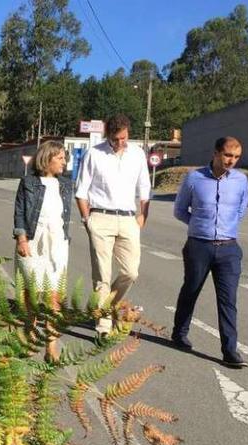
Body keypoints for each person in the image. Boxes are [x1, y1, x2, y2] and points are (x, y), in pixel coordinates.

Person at [171, 136, 248, 368]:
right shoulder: (194, 178)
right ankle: (180, 333)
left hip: (228, 248)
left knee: (228, 300)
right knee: (191, 290)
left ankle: (229, 350)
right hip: (199, 246)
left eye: (236, 157)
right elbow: (179, 210)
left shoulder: (241, 180)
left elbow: (240, 211)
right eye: (227, 155)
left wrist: (224, 229)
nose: (231, 161)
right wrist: (200, 226)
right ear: (216, 153)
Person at [74, 115, 151, 336]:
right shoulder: (94, 154)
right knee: (102, 276)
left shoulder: (137, 153)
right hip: (100, 218)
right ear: (107, 135)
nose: (120, 143)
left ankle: (107, 306)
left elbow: (144, 188)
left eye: (123, 138)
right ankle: (103, 326)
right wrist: (87, 219)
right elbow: (81, 191)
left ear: (128, 132)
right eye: (115, 139)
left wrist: (143, 215)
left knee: (130, 271)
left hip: (128, 218)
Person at [13, 140, 73, 361]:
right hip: (32, 241)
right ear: (47, 159)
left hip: (57, 245)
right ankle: (28, 338)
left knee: (53, 297)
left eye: (64, 158)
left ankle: (51, 348)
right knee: (30, 294)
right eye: (60, 158)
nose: (64, 162)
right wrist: (21, 239)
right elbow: (19, 211)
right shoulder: (28, 183)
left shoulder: (66, 184)